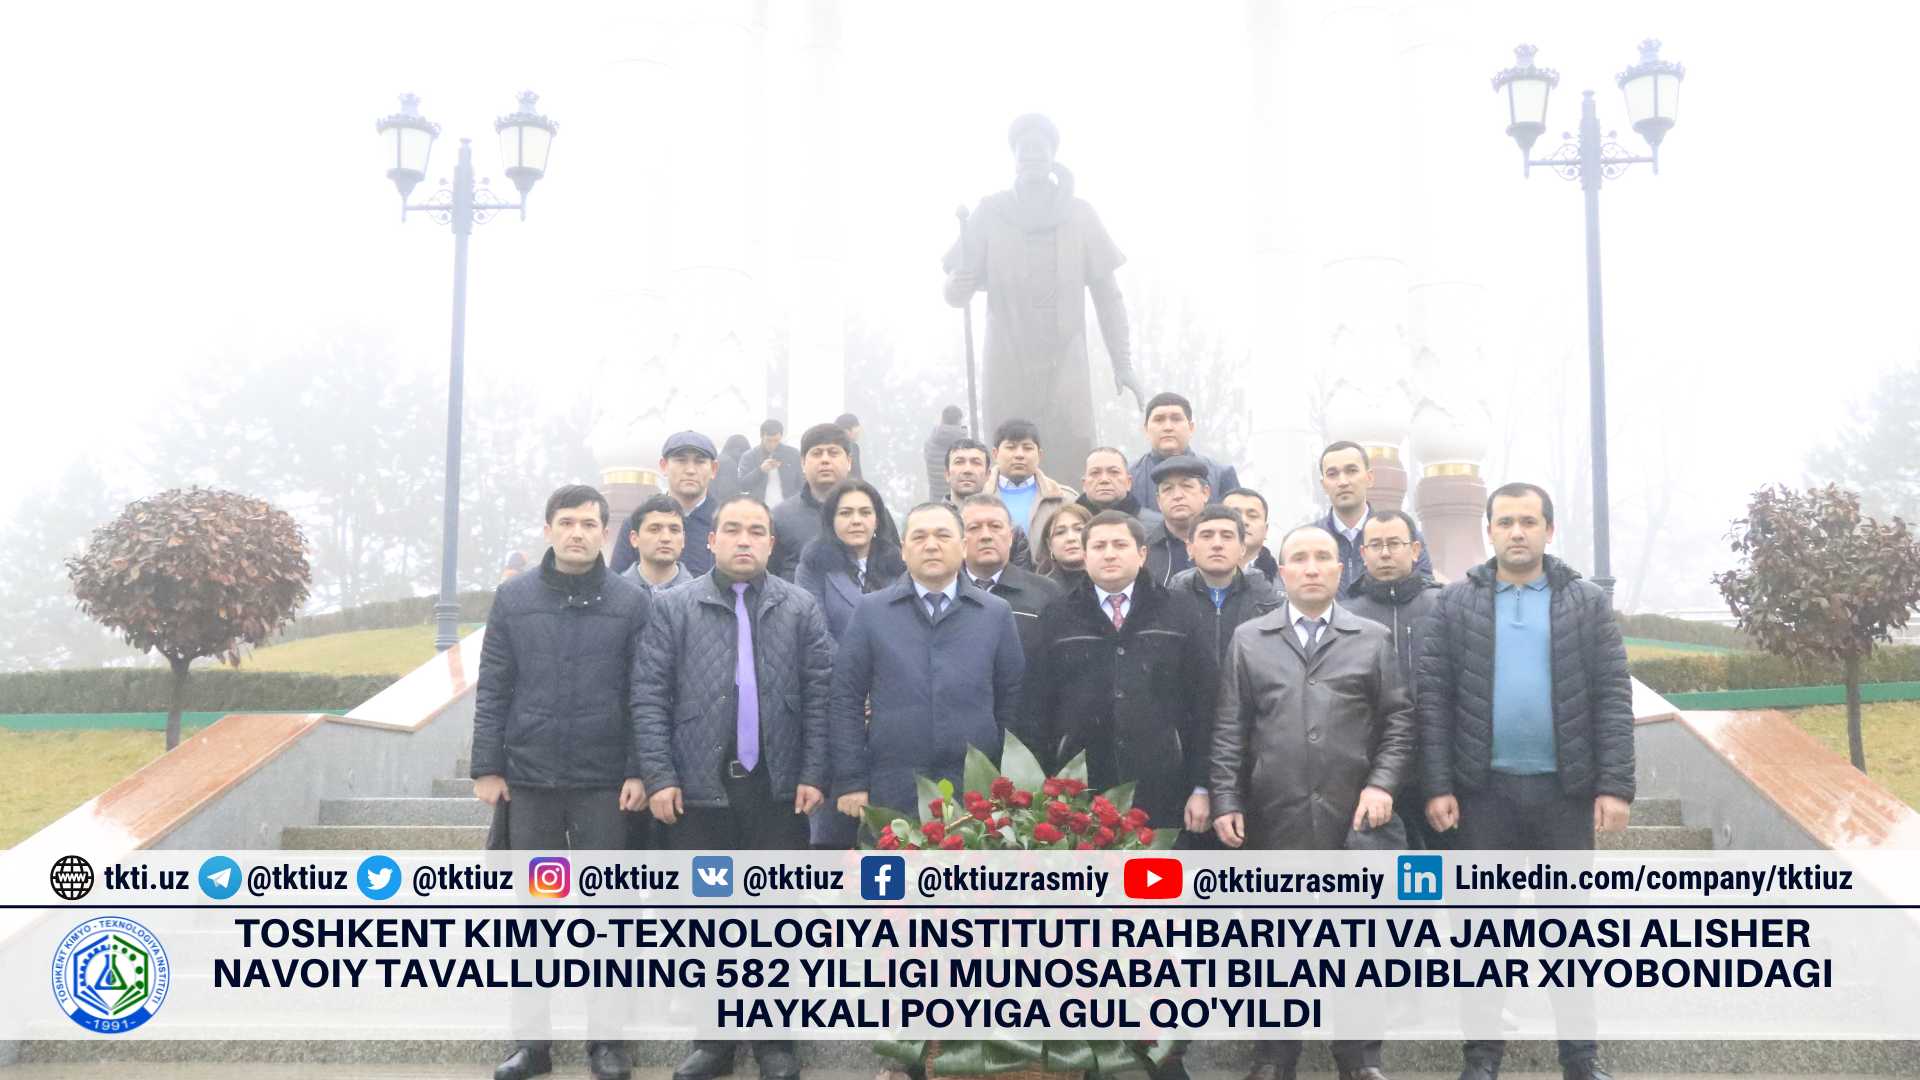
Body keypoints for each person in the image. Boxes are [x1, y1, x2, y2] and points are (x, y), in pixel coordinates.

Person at [1417, 484, 1633, 1080]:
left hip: (1563, 795)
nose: (1517, 531)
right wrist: (1437, 785)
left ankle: (1581, 1059)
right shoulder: (1455, 603)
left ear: (1549, 531)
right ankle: (1482, 1059)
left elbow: (1613, 696)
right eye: (1506, 521)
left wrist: (1614, 786)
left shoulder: (1583, 603)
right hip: (1482, 796)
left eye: (1529, 522)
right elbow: (1432, 701)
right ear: (1489, 530)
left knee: (1570, 937)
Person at [632, 493, 835, 1080]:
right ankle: (714, 1043)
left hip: (777, 792)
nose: (744, 540)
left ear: (772, 543)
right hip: (699, 791)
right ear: (711, 540)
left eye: (757, 531)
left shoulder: (800, 607)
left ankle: (776, 1044)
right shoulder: (672, 608)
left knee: (777, 919)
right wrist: (661, 776)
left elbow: (819, 694)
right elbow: (649, 695)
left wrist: (813, 772)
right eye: (732, 530)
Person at [1210, 524, 1412, 1080]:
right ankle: (1275, 1058)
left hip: (1354, 815)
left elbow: (1398, 720)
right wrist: (1227, 796)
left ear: (1340, 568)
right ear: (1281, 572)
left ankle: (1359, 1060)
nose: (1312, 567)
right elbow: (1231, 727)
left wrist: (1383, 784)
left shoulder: (1370, 638)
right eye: (1299, 558)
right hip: (1276, 814)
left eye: (1323, 557)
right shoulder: (1251, 639)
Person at [472, 484, 649, 1080]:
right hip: (532, 782)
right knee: (533, 917)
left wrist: (637, 769)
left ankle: (607, 1043)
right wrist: (487, 766)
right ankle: (534, 1045)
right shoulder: (514, 599)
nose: (577, 532)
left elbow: (642, 694)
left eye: (589, 523)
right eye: (566, 522)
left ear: (606, 532)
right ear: (547, 529)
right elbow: (495, 684)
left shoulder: (630, 601)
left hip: (604, 784)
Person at [943, 113, 1144, 477]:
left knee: (1074, 443)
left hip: (1065, 352)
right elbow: (958, 286)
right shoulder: (990, 213)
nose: (1031, 157)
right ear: (1015, 160)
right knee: (1007, 451)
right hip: (1008, 351)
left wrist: (1123, 362)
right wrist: (955, 287)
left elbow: (1108, 295)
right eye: (1023, 152)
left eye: (1039, 150)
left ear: (1053, 157)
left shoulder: (1080, 215)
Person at [1023, 510, 1217, 842]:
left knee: (1156, 888)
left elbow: (1207, 703)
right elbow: (1035, 708)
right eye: (1098, 546)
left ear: (1142, 553)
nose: (1109, 553)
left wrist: (1203, 785)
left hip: (1164, 786)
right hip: (1080, 791)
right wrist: (1041, 788)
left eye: (1119, 544)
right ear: (1084, 556)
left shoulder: (1179, 610)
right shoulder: (1058, 616)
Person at [830, 501, 1025, 826]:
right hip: (893, 786)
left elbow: (1012, 701)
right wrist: (852, 780)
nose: (931, 545)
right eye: (919, 537)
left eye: (942, 535)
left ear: (962, 547)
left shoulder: (995, 613)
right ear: (904, 550)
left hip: (975, 789)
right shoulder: (871, 612)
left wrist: (1006, 777)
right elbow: (845, 699)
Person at [1341, 508, 1444, 849]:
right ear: (1363, 553)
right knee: (1383, 887)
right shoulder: (1344, 615)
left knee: (1440, 880)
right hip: (1369, 772)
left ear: (1415, 550)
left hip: (1437, 768)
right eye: (1375, 545)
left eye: (1394, 544)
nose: (1385, 553)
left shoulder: (1444, 606)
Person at [959, 493, 1062, 676]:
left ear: (1011, 536)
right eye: (974, 528)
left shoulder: (1046, 592)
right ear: (960, 538)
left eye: (995, 527)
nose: (986, 536)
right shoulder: (944, 593)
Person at [1168, 505, 1280, 667]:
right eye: (1207, 536)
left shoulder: (1268, 604)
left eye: (1227, 536)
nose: (1217, 544)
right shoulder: (1171, 602)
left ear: (1242, 548)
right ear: (1190, 548)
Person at [795, 479, 906, 641]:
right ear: (831, 520)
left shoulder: (898, 565)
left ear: (877, 521)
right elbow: (816, 633)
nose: (856, 521)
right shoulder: (813, 567)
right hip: (835, 663)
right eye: (845, 513)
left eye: (865, 512)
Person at [1317, 441, 1433, 588]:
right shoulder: (1309, 541)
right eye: (1332, 474)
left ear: (1369, 478)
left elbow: (1425, 595)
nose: (1343, 482)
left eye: (1351, 471)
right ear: (1323, 485)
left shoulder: (1406, 535)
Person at [614, 430, 723, 578]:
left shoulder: (724, 524)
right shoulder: (637, 521)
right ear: (664, 465)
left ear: (714, 469)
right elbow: (617, 582)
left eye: (699, 461)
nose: (690, 470)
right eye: (681, 460)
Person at [1128, 392, 1241, 513]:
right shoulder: (1129, 477)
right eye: (1159, 419)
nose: (1168, 427)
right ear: (1146, 430)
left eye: (1176, 419)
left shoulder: (1221, 474)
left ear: (1191, 428)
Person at [770, 423, 855, 580]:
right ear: (803, 463)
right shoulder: (779, 517)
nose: (825, 460)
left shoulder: (870, 513)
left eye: (833, 453)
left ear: (849, 461)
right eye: (816, 453)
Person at [990, 418, 1077, 552]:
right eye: (1011, 447)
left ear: (1039, 455)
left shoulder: (1065, 499)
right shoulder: (977, 499)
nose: (1019, 455)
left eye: (1027, 448)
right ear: (995, 454)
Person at [947, 436, 1032, 570]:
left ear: (988, 475)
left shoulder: (1012, 529)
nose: (967, 470)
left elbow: (1023, 583)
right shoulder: (929, 525)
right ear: (946, 473)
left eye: (976, 462)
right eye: (959, 462)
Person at [1143, 456, 1211, 586]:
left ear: (1205, 493)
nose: (1177, 496)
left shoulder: (1223, 544)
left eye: (1186, 486)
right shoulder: (1144, 551)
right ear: (1158, 500)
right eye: (1167, 489)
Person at [621, 495, 695, 595]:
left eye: (674, 530)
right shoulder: (613, 594)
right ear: (634, 539)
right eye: (654, 529)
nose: (666, 538)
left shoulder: (699, 596)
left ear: (683, 540)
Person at [1079, 446, 1163, 528]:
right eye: (1095, 473)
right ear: (1084, 484)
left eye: (1114, 472)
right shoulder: (1068, 525)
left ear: (1128, 482)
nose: (1104, 480)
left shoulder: (1158, 527)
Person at [737, 419, 803, 505]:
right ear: (761, 436)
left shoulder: (793, 454)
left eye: (776, 440)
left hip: (788, 508)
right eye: (768, 440)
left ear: (781, 437)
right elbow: (743, 486)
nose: (772, 445)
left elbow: (801, 483)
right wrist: (760, 470)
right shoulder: (749, 456)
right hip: (760, 509)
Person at [1222, 488, 1278, 581]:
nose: (1243, 521)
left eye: (1253, 516)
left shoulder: (1286, 582)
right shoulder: (1193, 579)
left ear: (1266, 530)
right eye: (1234, 514)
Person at [1035, 502, 1092, 587]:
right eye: (1060, 532)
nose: (1070, 538)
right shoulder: (1040, 590)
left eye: (1079, 529)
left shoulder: (1111, 583)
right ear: (1049, 545)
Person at [924, 405, 969, 501]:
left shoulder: (929, 443)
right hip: (959, 499)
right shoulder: (967, 445)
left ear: (942, 419)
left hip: (936, 498)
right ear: (959, 421)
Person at [714, 433, 752, 501]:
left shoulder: (719, 459)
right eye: (745, 454)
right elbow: (728, 493)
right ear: (737, 450)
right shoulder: (728, 463)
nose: (745, 459)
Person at [835, 412, 865, 480]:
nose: (858, 434)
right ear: (847, 431)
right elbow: (857, 476)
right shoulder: (852, 447)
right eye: (857, 432)